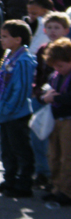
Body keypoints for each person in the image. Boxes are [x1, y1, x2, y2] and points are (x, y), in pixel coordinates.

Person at [0, 20, 37, 198]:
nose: (1, 40)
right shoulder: (9, 54)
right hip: (4, 113)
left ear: (18, 39)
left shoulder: (24, 59)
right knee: (7, 149)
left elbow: (22, 89)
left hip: (16, 113)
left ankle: (24, 183)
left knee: (21, 149)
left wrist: (8, 109)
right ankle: (9, 180)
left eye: (5, 37)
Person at [32, 12, 71, 188]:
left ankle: (65, 188)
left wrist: (57, 97)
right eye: (50, 27)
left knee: (66, 153)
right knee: (49, 149)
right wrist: (42, 96)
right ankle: (50, 180)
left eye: (57, 27)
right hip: (50, 109)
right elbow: (38, 80)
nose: (53, 31)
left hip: (66, 113)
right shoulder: (43, 53)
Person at [41, 38, 71, 205]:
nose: (57, 69)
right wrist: (45, 97)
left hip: (68, 120)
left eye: (61, 65)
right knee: (54, 155)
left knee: (68, 157)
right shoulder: (55, 76)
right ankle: (56, 187)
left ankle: (67, 191)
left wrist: (56, 97)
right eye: (55, 66)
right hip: (55, 119)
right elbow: (45, 92)